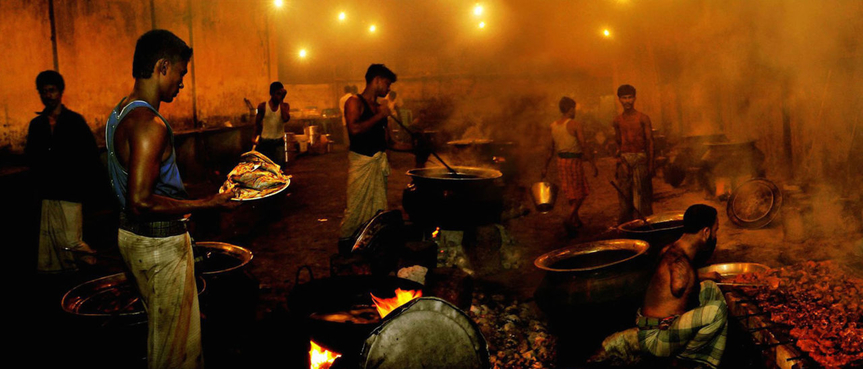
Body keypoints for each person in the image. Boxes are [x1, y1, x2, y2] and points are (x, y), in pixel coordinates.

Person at [105, 29, 237, 369]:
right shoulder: (149, 124)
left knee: (162, 332)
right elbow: (141, 201)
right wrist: (208, 203)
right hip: (159, 245)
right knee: (175, 351)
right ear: (163, 67)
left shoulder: (119, 112)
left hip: (132, 239)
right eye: (181, 73)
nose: (181, 82)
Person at [592, 204, 727, 368]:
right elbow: (680, 282)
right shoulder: (682, 267)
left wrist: (705, 276)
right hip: (658, 336)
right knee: (717, 311)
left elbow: (677, 279)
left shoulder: (670, 250)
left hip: (646, 323)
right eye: (715, 230)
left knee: (709, 288)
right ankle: (689, 361)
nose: (715, 235)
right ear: (706, 232)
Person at [26, 70, 101, 273]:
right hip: (47, 193)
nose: (48, 95)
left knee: (71, 240)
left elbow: (90, 156)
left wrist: (89, 188)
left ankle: (92, 268)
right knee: (50, 241)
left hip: (70, 192)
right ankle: (62, 280)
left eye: (52, 91)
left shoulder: (74, 122)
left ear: (60, 92)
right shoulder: (37, 125)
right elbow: (32, 158)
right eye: (44, 92)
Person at [338, 64, 411, 245]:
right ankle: (346, 246)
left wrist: (414, 147)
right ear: (376, 80)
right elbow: (354, 129)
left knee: (377, 211)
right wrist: (379, 116)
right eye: (387, 84)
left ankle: (369, 246)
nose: (389, 89)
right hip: (361, 165)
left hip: (378, 166)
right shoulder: (354, 102)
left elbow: (389, 143)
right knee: (355, 209)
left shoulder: (380, 108)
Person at [542, 97, 598, 234]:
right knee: (580, 192)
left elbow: (550, 149)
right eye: (574, 108)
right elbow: (584, 145)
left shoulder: (553, 126)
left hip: (561, 162)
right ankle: (569, 218)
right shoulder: (575, 125)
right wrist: (592, 164)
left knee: (570, 192)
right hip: (573, 161)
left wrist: (545, 167)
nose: (575, 111)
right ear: (571, 109)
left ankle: (576, 221)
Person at [613, 84, 655, 224]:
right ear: (619, 99)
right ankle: (628, 232)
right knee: (624, 201)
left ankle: (644, 230)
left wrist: (650, 165)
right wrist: (619, 162)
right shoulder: (617, 121)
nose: (627, 101)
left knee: (641, 201)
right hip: (625, 160)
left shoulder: (643, 118)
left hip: (640, 159)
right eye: (624, 98)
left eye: (630, 97)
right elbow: (618, 143)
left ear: (635, 98)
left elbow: (650, 142)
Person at [253, 81, 290, 166]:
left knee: (279, 168)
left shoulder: (285, 106)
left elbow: (285, 119)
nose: (278, 96)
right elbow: (257, 123)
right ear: (271, 93)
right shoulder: (263, 106)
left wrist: (281, 100)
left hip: (278, 142)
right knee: (264, 168)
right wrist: (254, 137)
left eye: (280, 94)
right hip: (265, 142)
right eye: (277, 93)